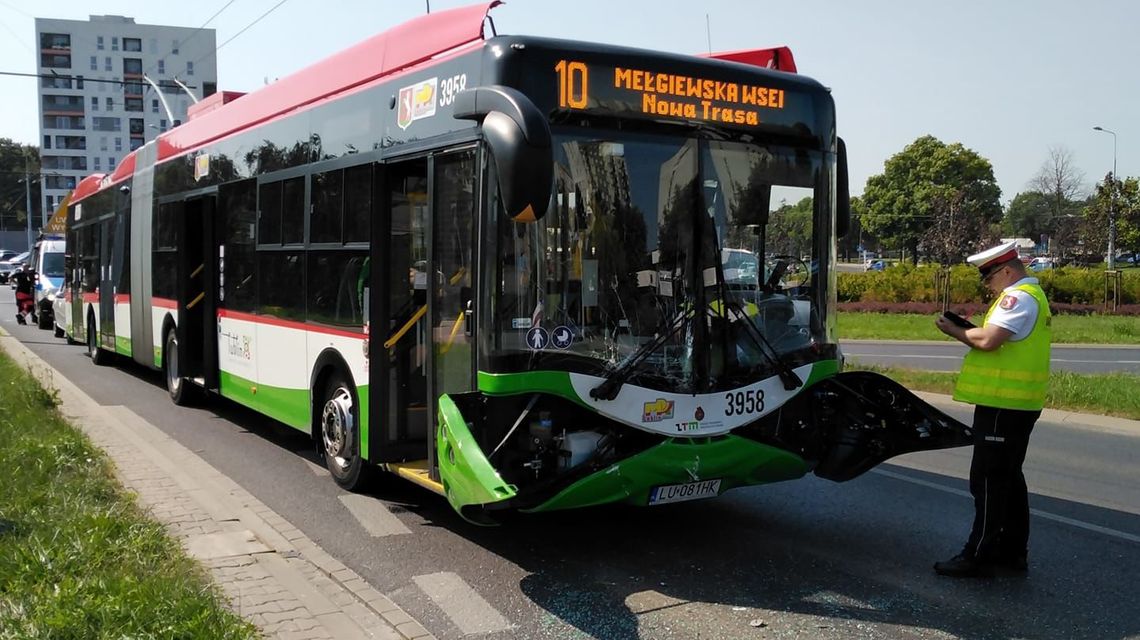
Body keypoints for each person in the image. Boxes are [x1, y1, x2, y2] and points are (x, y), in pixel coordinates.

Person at [932, 241, 1051, 578]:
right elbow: (1000, 341)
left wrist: (953, 330)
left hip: (1004, 404)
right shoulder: (1029, 296)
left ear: (1007, 271)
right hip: (1015, 404)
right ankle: (1012, 552)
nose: (987, 284)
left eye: (989, 278)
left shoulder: (1018, 298)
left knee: (988, 481)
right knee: (1009, 479)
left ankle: (978, 555)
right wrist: (969, 329)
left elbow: (988, 342)